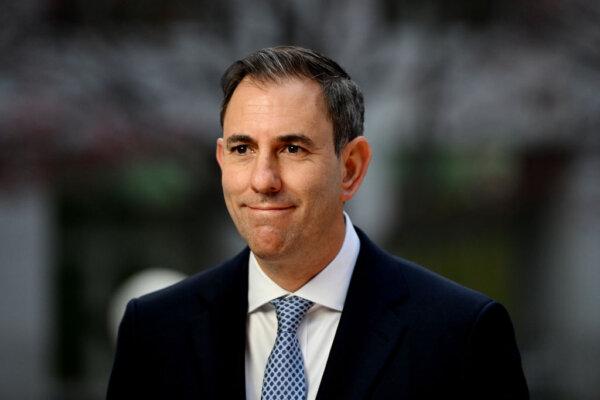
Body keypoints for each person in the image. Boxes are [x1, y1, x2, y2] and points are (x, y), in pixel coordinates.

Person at [107, 46, 529, 400]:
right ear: (221, 160)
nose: (263, 180)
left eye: (292, 148)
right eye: (242, 149)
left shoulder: (460, 334)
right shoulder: (155, 331)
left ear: (350, 168)